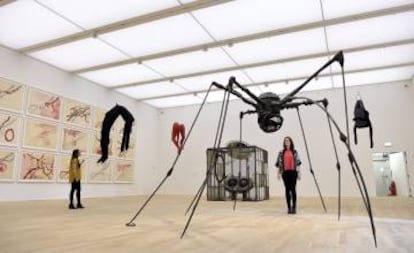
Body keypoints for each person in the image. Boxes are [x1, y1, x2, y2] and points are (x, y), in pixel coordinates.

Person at [276, 136, 301, 214]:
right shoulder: (281, 152)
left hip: (293, 172)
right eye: (285, 141)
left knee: (293, 189)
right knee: (287, 189)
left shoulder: (295, 152)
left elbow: (298, 163)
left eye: (288, 140)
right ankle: (289, 207)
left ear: (291, 142)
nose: (286, 142)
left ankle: (294, 207)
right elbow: (278, 164)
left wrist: (299, 172)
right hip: (285, 172)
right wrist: (278, 173)